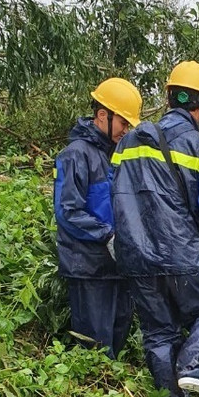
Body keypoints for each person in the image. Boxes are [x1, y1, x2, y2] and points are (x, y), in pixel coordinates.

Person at [111, 61, 199, 397]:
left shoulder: (130, 141)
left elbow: (112, 192)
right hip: (182, 252)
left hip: (134, 254)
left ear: (168, 97)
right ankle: (192, 368)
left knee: (159, 332)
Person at [54, 77, 142, 359]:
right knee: (95, 350)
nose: (125, 130)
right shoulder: (75, 155)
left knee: (118, 338)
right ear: (103, 115)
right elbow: (68, 211)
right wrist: (106, 235)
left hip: (118, 265)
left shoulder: (119, 155)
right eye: (123, 122)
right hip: (88, 268)